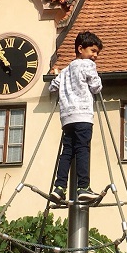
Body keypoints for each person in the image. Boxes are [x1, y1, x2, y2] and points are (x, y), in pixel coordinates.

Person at [49, 31, 103, 203]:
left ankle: (59, 187)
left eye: (97, 53)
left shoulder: (65, 71)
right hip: (83, 115)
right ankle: (83, 187)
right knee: (82, 149)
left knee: (67, 152)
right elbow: (96, 86)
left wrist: (59, 78)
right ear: (81, 49)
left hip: (67, 118)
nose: (95, 56)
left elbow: (52, 87)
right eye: (93, 50)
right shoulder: (87, 65)